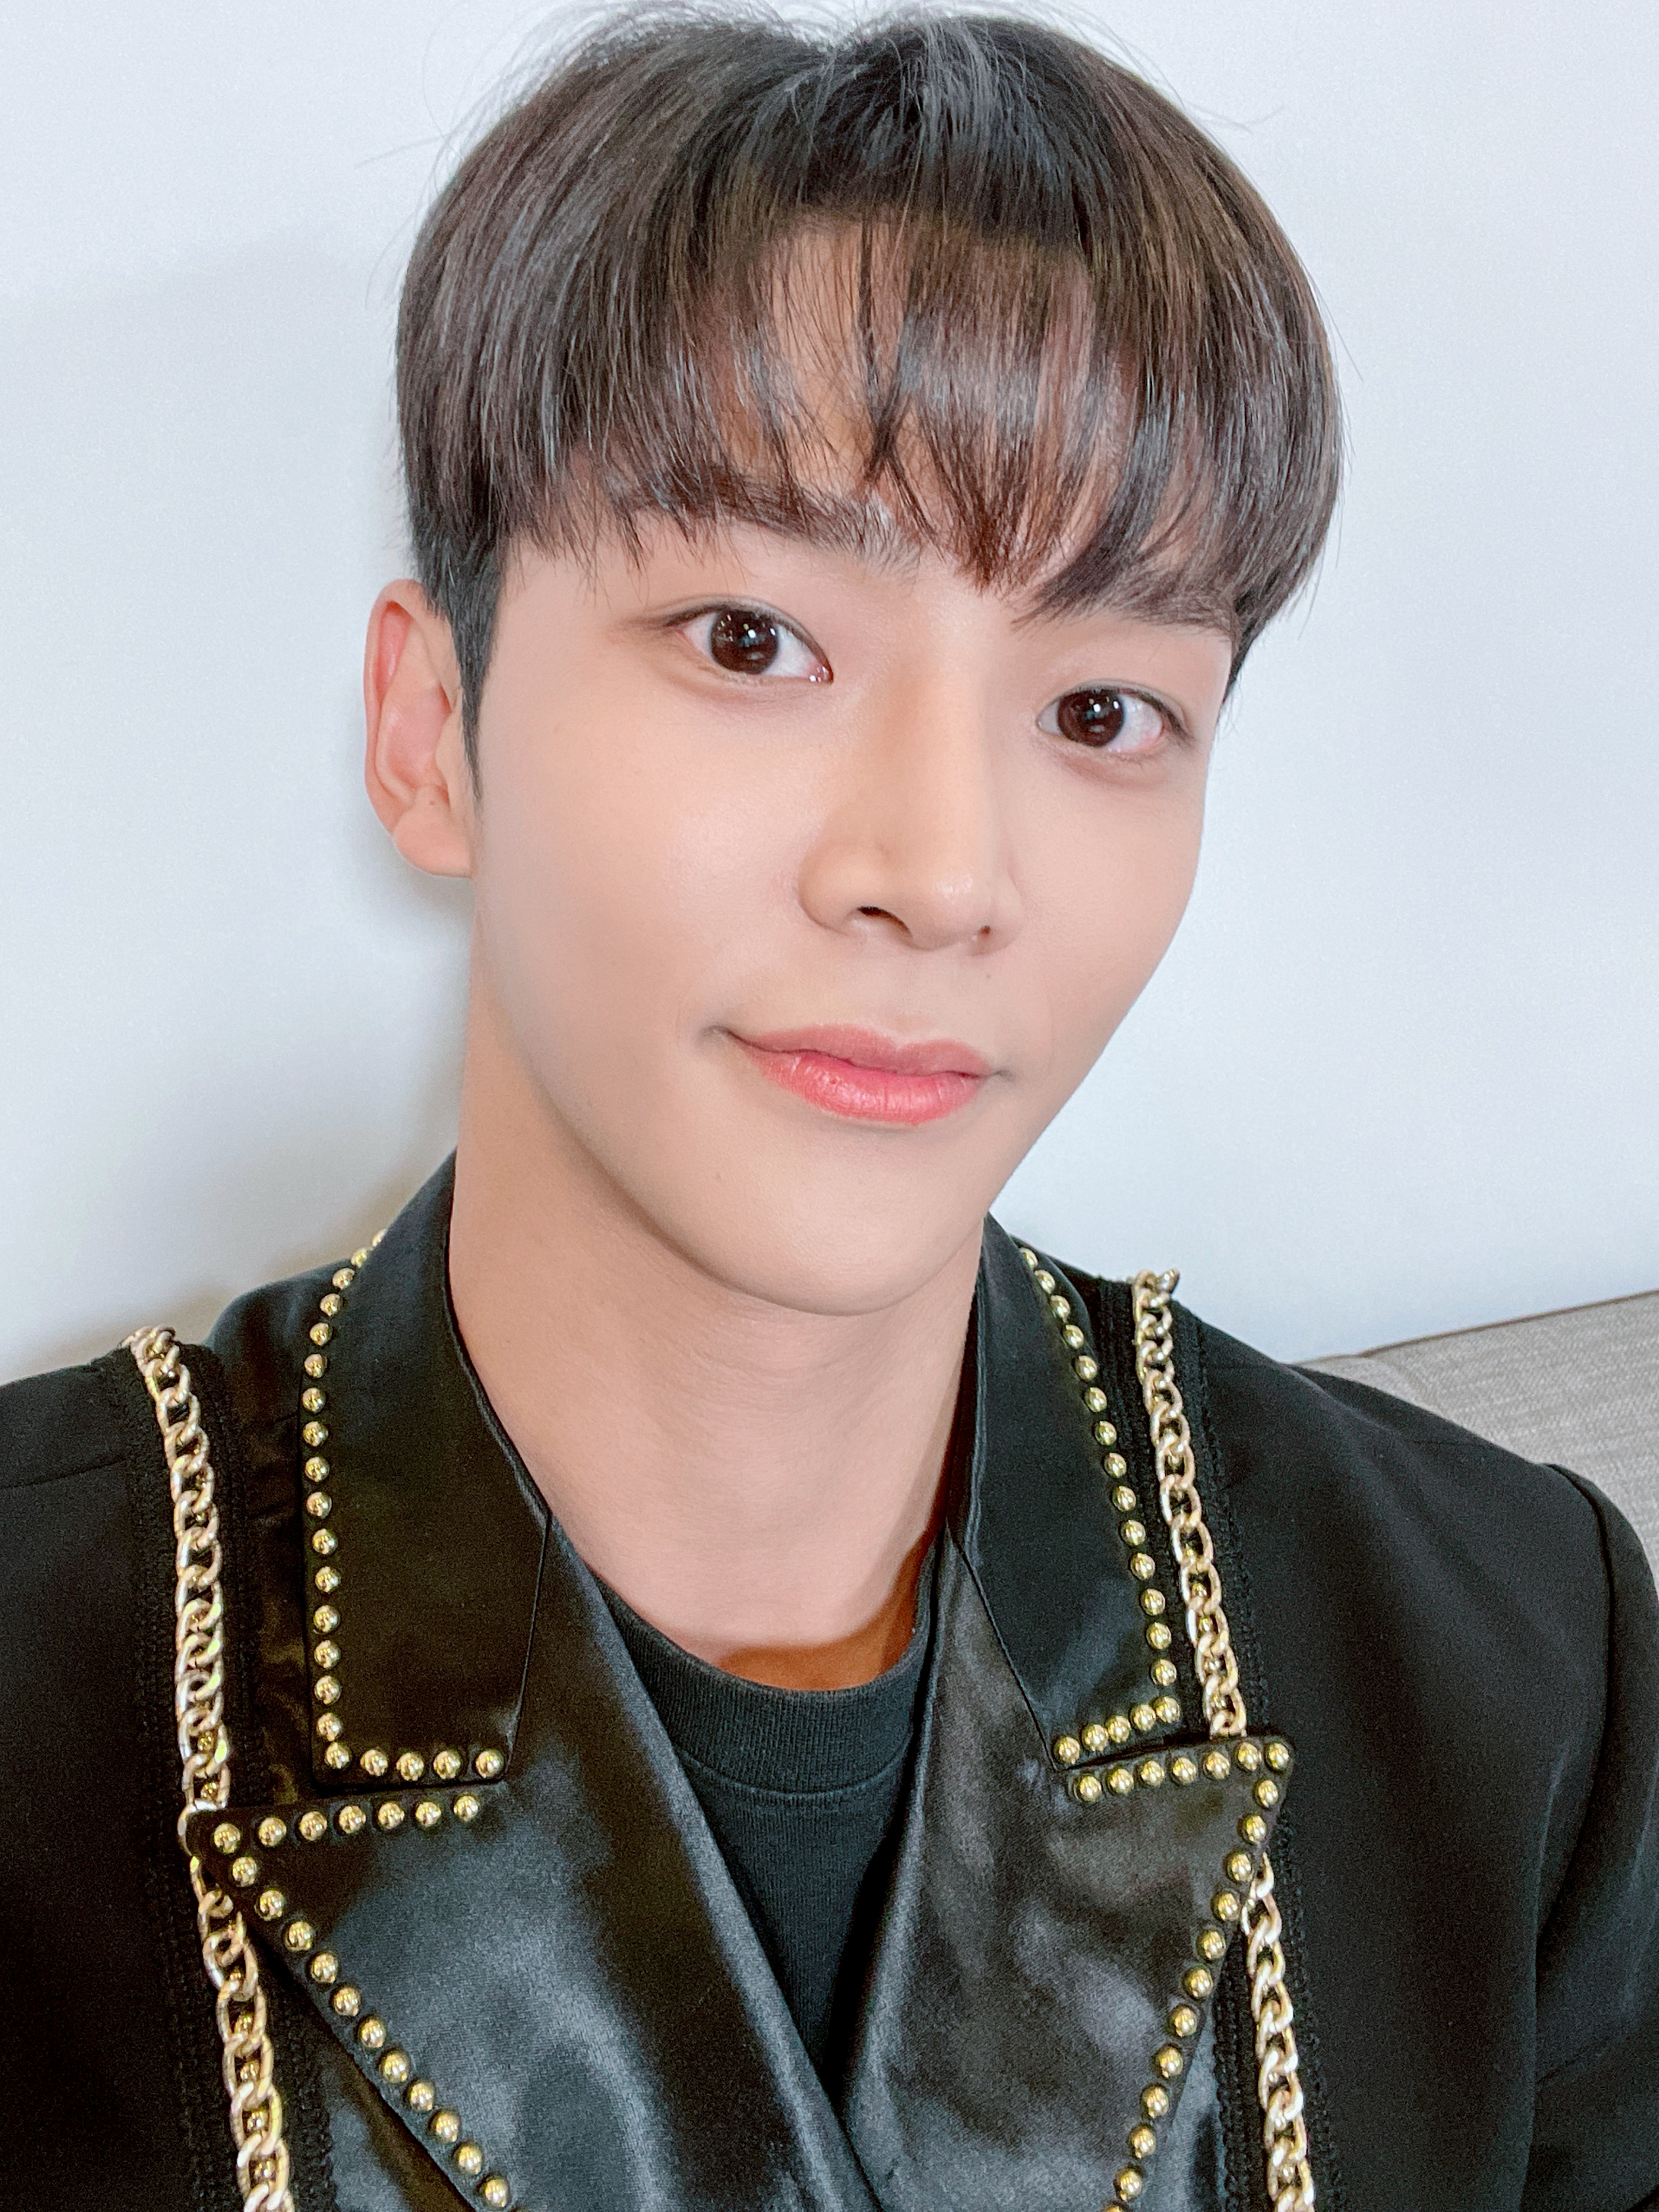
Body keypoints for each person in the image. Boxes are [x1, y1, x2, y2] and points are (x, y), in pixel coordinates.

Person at [2, 10, 1655, 2210]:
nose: (942, 873)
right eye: (750, 642)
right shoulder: (41, 1681)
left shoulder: (1511, 1664)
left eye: (1102, 709)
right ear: (431, 730)